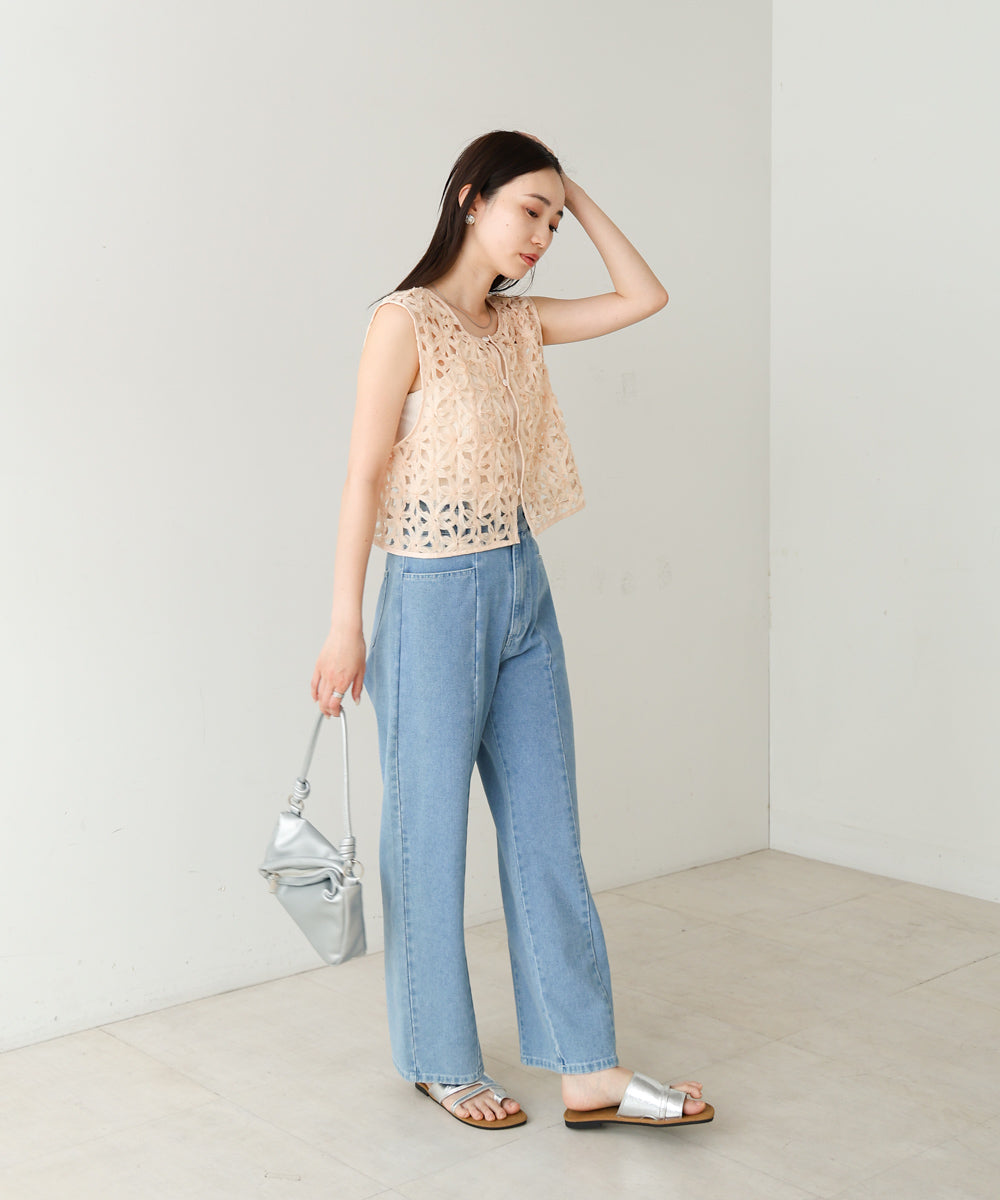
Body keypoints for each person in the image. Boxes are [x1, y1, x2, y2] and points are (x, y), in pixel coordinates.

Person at [311, 130, 713, 1132]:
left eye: (553, 220)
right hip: (430, 597)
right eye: (528, 210)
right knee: (427, 838)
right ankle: (439, 1058)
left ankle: (588, 1070)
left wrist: (575, 190)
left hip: (521, 584)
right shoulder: (403, 320)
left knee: (548, 833)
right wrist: (343, 623)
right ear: (468, 198)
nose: (541, 234)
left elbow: (644, 295)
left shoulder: (519, 325)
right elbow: (362, 477)